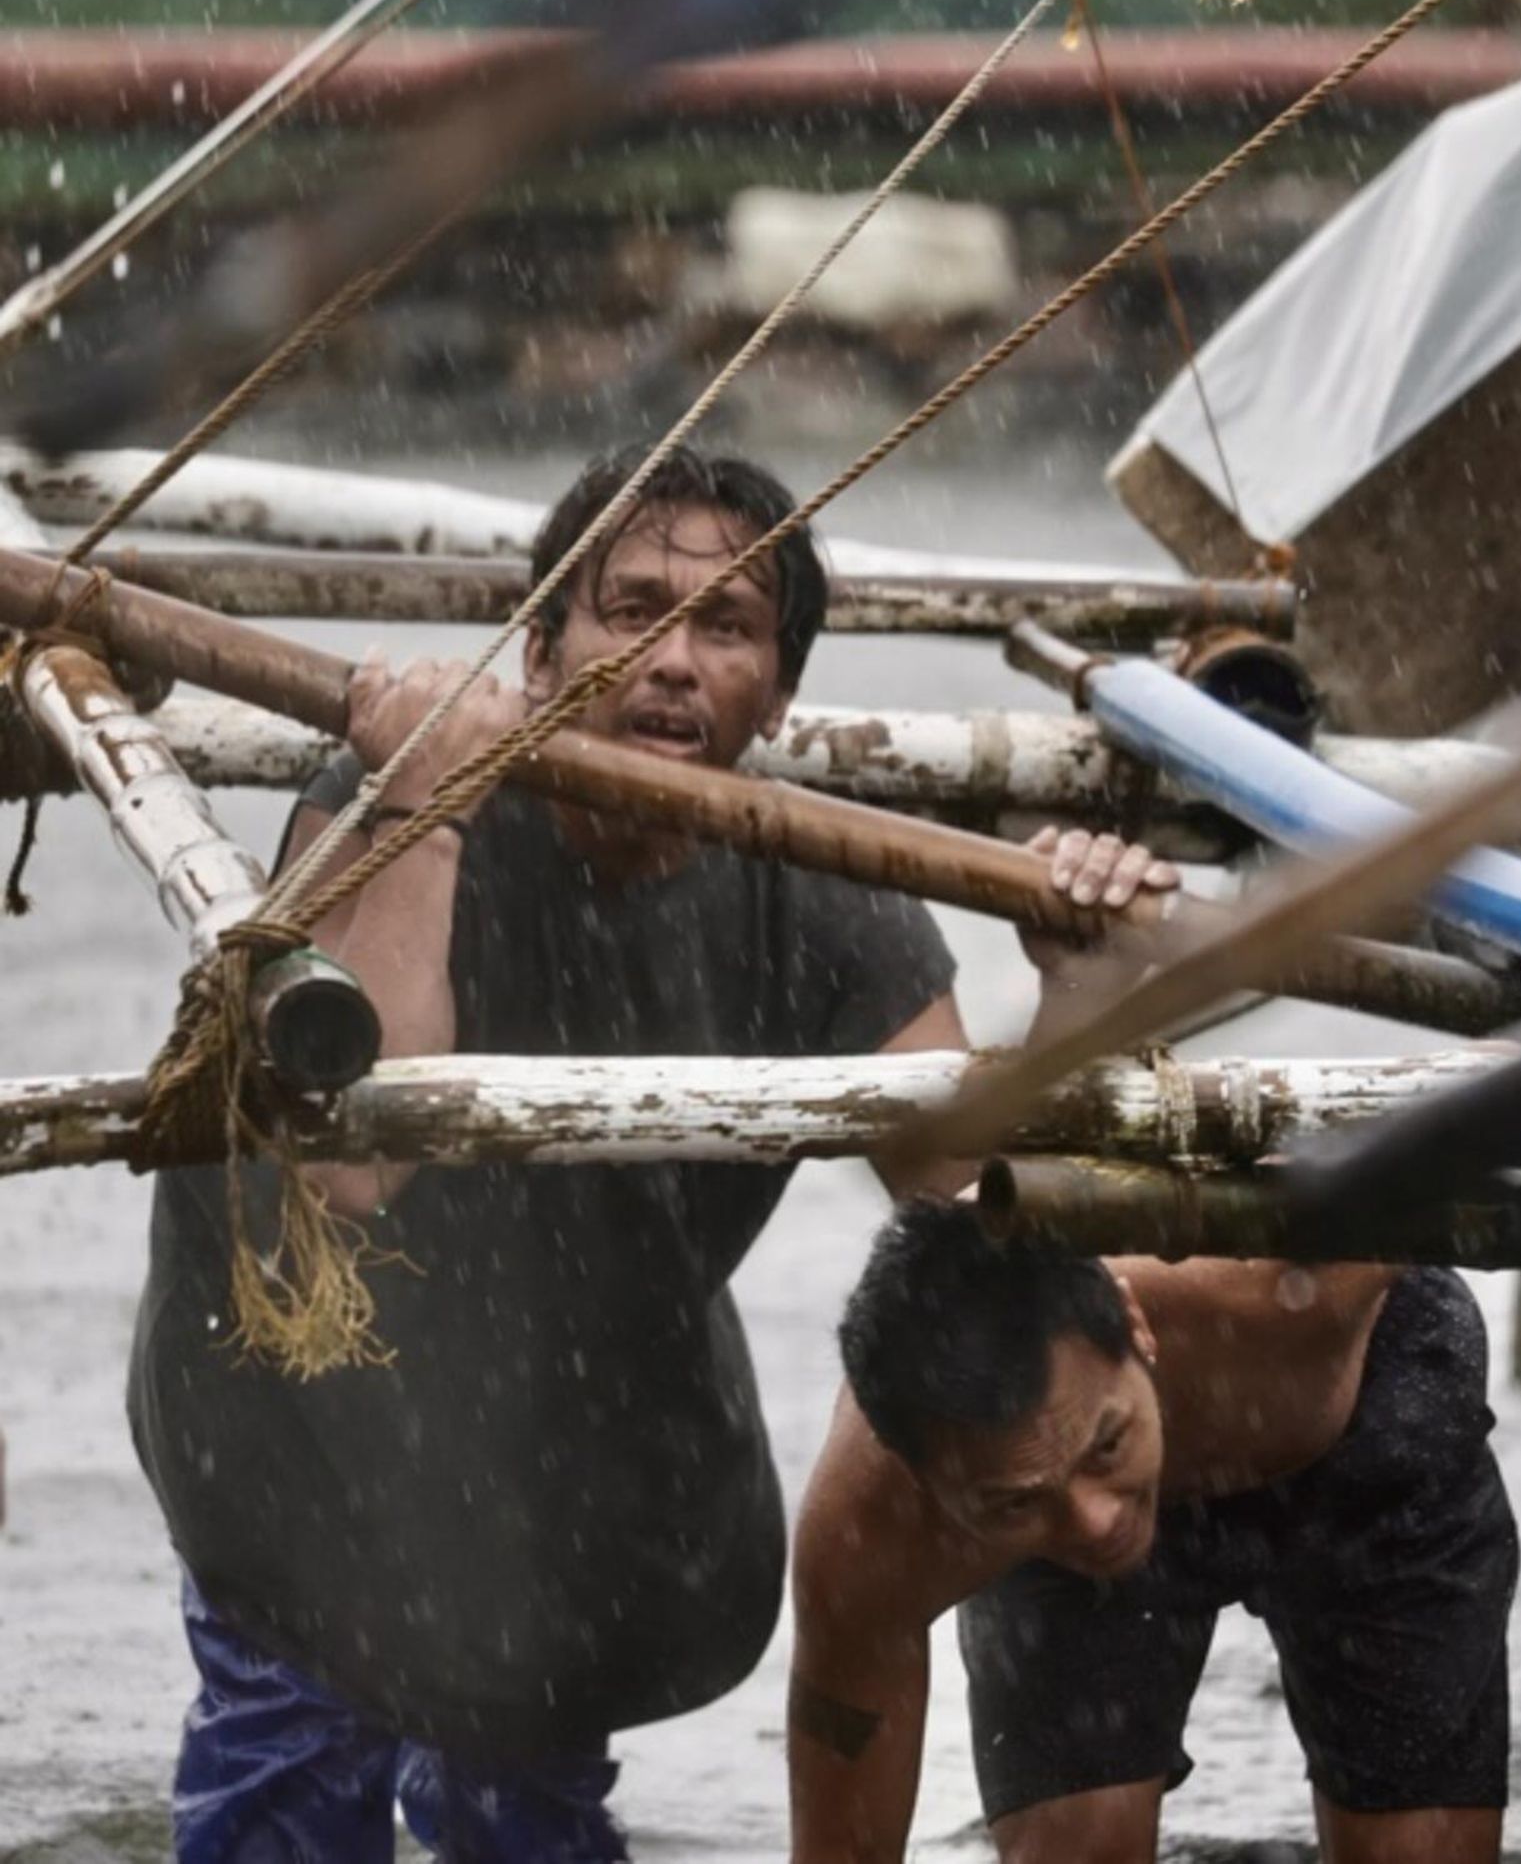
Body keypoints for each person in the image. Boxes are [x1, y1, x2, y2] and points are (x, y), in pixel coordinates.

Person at [127, 442, 1178, 1863]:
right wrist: (421, 807)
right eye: (631, 610)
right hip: (299, 1399)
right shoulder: (387, 789)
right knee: (288, 1785)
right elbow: (353, 1164)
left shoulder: (818, 888)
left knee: (527, 1810)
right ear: (543, 641)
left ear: (782, 694)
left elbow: (975, 1192)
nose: (675, 662)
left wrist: (1082, 988)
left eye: (729, 629)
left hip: (552, 1456)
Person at [788, 1197, 1518, 1864]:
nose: (1097, 1522)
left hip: (1366, 1423)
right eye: (1017, 1500)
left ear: (1133, 1323)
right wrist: (1063, 1485)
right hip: (1045, 1548)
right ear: (925, 1481)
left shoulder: (1290, 1288)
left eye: (1105, 1445)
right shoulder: (868, 1533)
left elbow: (1474, 1137)